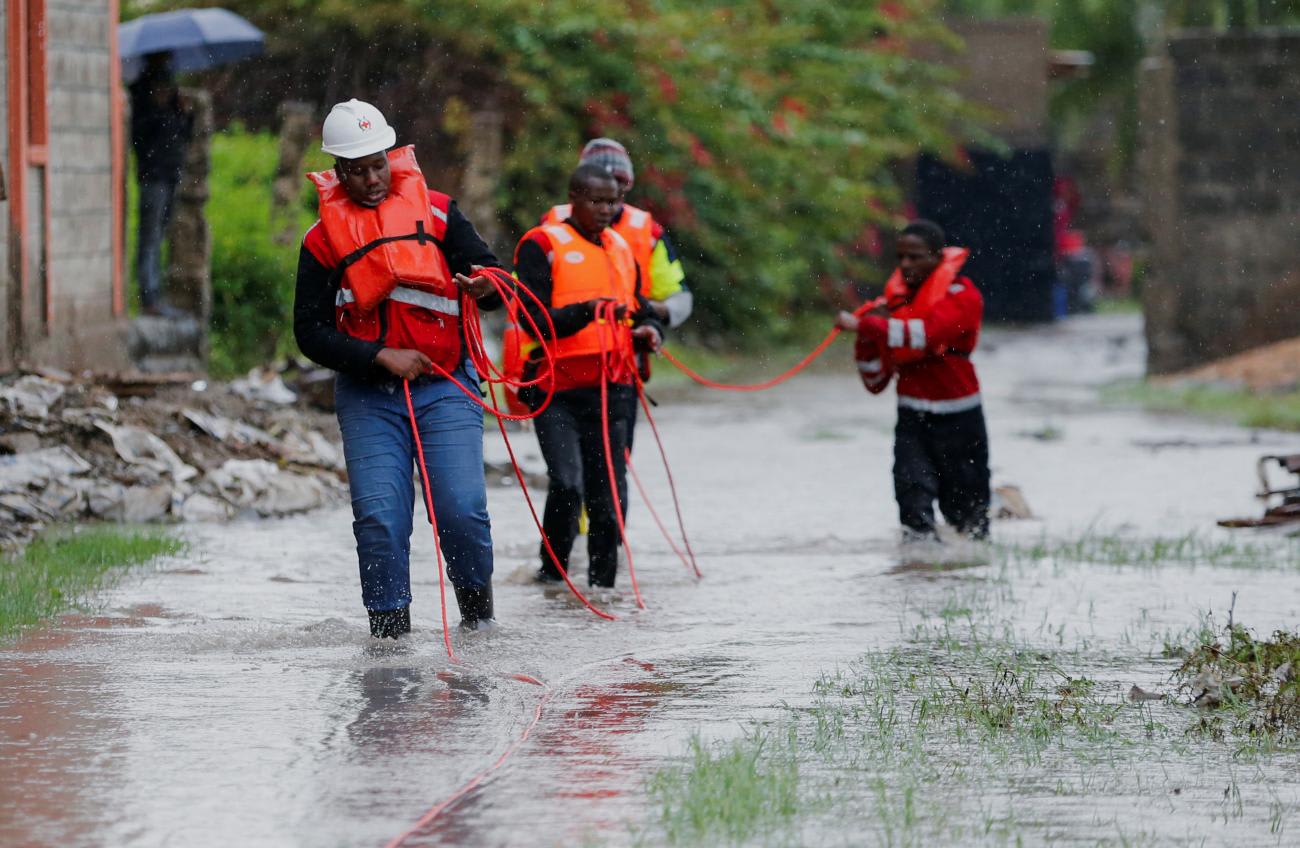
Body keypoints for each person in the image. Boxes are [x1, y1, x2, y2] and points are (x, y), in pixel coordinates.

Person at [293, 99, 504, 638]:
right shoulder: (320, 242)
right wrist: (378, 356)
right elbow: (310, 334)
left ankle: (478, 624)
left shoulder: (437, 214)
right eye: (357, 170)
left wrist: (486, 287)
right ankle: (389, 649)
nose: (371, 179)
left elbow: (494, 278)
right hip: (369, 397)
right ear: (338, 172)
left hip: (448, 385)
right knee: (381, 523)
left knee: (461, 511)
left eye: (378, 165)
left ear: (392, 157)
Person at [514, 164, 665, 587]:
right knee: (567, 482)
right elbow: (534, 321)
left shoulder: (621, 249)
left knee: (609, 496)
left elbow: (643, 310)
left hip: (612, 389)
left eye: (613, 202)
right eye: (597, 201)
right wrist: (587, 311)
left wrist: (651, 331)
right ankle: (552, 576)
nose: (607, 210)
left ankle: (604, 589)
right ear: (573, 199)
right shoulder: (540, 244)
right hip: (555, 391)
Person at [837, 220, 990, 541]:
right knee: (912, 504)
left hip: (961, 421)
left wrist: (868, 327)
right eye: (901, 257)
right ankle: (917, 577)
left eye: (915, 257)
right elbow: (875, 381)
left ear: (937, 258)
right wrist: (865, 342)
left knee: (969, 520)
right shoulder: (891, 308)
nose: (906, 265)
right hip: (913, 421)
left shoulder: (963, 297)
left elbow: (927, 333)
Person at [541, 139, 692, 329]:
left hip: (625, 351)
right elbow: (525, 294)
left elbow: (678, 297)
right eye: (602, 184)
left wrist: (647, 319)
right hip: (560, 348)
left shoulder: (647, 232)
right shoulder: (550, 225)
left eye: (620, 182)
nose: (612, 190)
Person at [129, 52, 194, 316]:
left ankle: (156, 294)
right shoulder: (141, 92)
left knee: (161, 234)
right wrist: (157, 107)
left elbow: (183, 135)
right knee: (150, 237)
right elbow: (140, 137)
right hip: (152, 176)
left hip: (170, 173)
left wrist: (184, 113)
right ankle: (149, 297)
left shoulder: (169, 89)